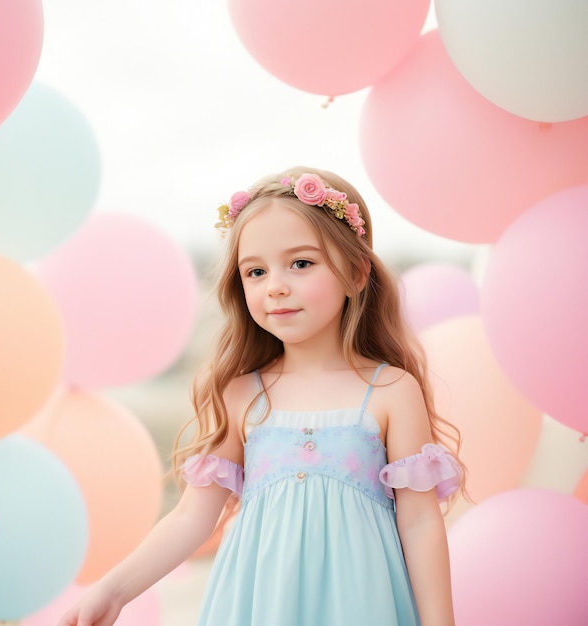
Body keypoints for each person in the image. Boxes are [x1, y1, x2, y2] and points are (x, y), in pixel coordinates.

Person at [58, 166, 465, 626]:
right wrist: (112, 592)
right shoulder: (243, 394)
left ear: (356, 273)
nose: (275, 285)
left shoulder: (390, 391)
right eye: (255, 271)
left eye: (301, 263)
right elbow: (192, 517)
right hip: (258, 606)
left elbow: (420, 523)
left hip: (361, 604)